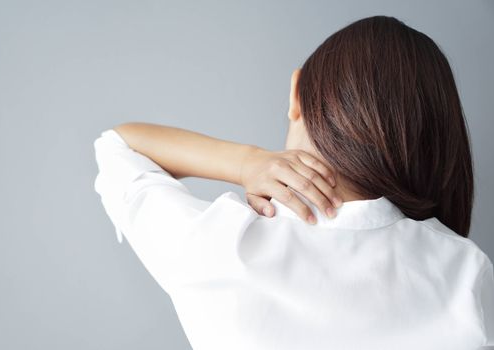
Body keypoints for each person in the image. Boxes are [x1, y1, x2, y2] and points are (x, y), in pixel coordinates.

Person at [93, 15, 493, 350]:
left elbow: (117, 146)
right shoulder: (466, 270)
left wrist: (248, 162)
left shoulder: (220, 244)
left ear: (295, 94)